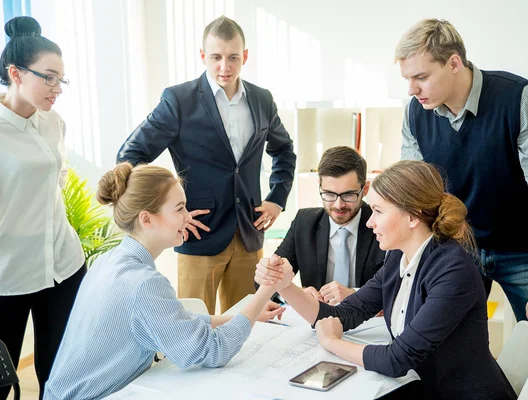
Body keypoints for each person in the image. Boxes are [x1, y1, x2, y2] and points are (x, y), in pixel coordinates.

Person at [395, 18, 528, 398]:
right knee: (445, 361)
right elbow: (414, 195)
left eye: (421, 77)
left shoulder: (519, 97)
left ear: (454, 63)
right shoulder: (415, 112)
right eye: (407, 79)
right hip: (458, 252)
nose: (412, 90)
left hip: (521, 253)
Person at [256, 160, 518, 400]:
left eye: (378, 211)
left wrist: (332, 342)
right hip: (422, 385)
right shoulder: (398, 257)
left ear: (413, 216)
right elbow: (343, 314)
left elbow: (397, 360)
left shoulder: (452, 270)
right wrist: (285, 285)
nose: (369, 223)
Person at [44, 163, 285, 399]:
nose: (188, 216)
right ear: (147, 219)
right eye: (179, 209)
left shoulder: (109, 261)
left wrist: (247, 314)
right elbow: (212, 351)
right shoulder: (143, 283)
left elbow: (174, 322)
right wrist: (266, 289)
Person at [116, 16, 296, 314]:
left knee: (250, 326)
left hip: (249, 232)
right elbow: (130, 155)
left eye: (233, 57)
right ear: (203, 56)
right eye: (215, 57)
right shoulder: (178, 100)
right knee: (194, 328)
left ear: (245, 56)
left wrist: (277, 199)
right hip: (199, 234)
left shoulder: (262, 99)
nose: (224, 67)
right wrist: (172, 210)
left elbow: (284, 150)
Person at [0, 16, 86, 399]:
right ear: (15, 73)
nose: (58, 88)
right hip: (9, 275)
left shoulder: (54, 123)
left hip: (63, 265)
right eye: (48, 77)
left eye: (61, 79)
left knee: (63, 375)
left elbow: (59, 181)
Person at [266, 146, 385, 304]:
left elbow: (400, 286)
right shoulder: (304, 222)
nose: (338, 205)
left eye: (348, 195)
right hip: (316, 320)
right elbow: (269, 281)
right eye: (329, 194)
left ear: (365, 189)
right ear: (319, 186)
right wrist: (295, 294)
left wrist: (357, 296)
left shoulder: (382, 224)